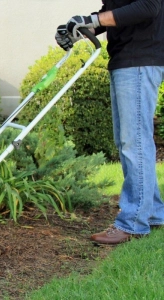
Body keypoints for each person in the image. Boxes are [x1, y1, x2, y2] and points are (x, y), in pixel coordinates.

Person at [55, 0, 164, 245]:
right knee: (130, 141)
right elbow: (114, 13)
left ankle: (133, 222)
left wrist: (93, 21)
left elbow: (149, 6)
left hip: (139, 58)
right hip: (127, 59)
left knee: (133, 143)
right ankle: (154, 212)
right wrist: (80, 29)